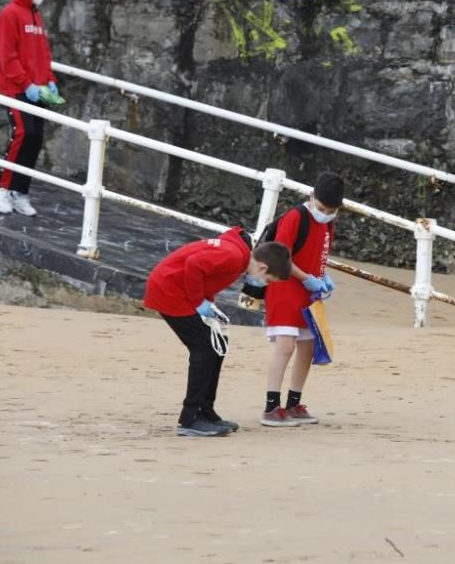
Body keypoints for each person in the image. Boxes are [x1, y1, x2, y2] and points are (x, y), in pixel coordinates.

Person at [144, 227, 292, 436]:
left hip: (179, 292)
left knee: (218, 344)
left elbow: (205, 275)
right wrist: (199, 303)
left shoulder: (236, 256)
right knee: (205, 349)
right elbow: (193, 265)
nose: (263, 284)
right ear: (263, 268)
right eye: (268, 280)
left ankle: (205, 410)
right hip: (170, 292)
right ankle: (190, 418)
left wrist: (208, 306)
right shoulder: (233, 256)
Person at [262, 171, 342, 427]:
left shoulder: (328, 221)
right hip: (284, 287)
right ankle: (271, 406)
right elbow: (280, 258)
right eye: (321, 208)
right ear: (311, 196)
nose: (326, 214)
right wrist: (308, 277)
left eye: (331, 211)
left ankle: (294, 403)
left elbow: (319, 253)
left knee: (307, 349)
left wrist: (322, 277)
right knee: (285, 346)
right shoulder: (295, 217)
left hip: (308, 293)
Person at [0, 0, 58, 217]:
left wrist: (49, 80)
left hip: (36, 89)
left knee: (35, 138)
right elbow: (8, 56)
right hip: (16, 88)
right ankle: (1, 187)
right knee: (22, 133)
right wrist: (25, 83)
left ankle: (20, 190)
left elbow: (43, 54)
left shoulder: (35, 16)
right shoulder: (10, 14)